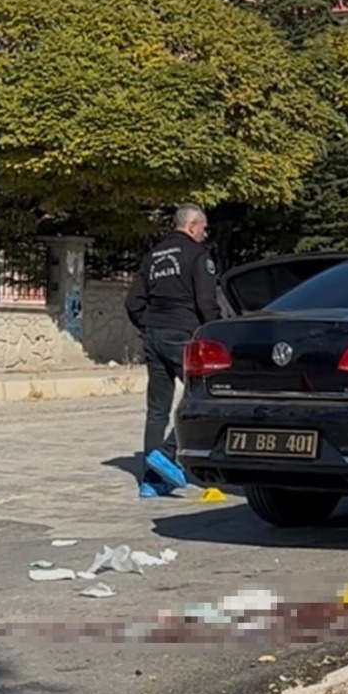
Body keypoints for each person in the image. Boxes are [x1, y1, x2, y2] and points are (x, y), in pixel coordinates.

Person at [125, 204, 222, 498]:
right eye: (203, 228)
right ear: (192, 226)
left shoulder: (153, 256)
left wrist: (148, 326)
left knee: (157, 411)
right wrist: (217, 333)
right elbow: (206, 301)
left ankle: (151, 481)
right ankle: (166, 455)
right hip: (184, 335)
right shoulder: (197, 255)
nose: (205, 234)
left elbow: (132, 302)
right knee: (203, 395)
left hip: (153, 335)